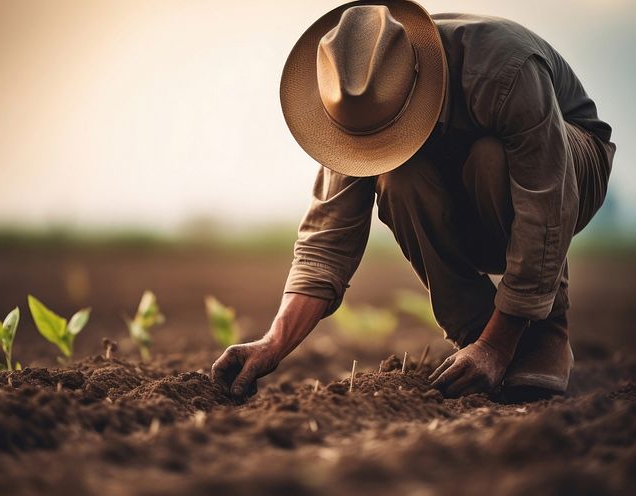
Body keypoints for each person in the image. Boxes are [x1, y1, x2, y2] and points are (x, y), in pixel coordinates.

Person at [212, 1, 615, 399]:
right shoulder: (358, 103)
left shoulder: (501, 69)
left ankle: (543, 330)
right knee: (397, 177)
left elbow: (545, 202)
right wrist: (272, 343)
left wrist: (499, 345)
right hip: (473, 190)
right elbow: (325, 243)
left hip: (568, 167)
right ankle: (476, 329)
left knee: (489, 159)